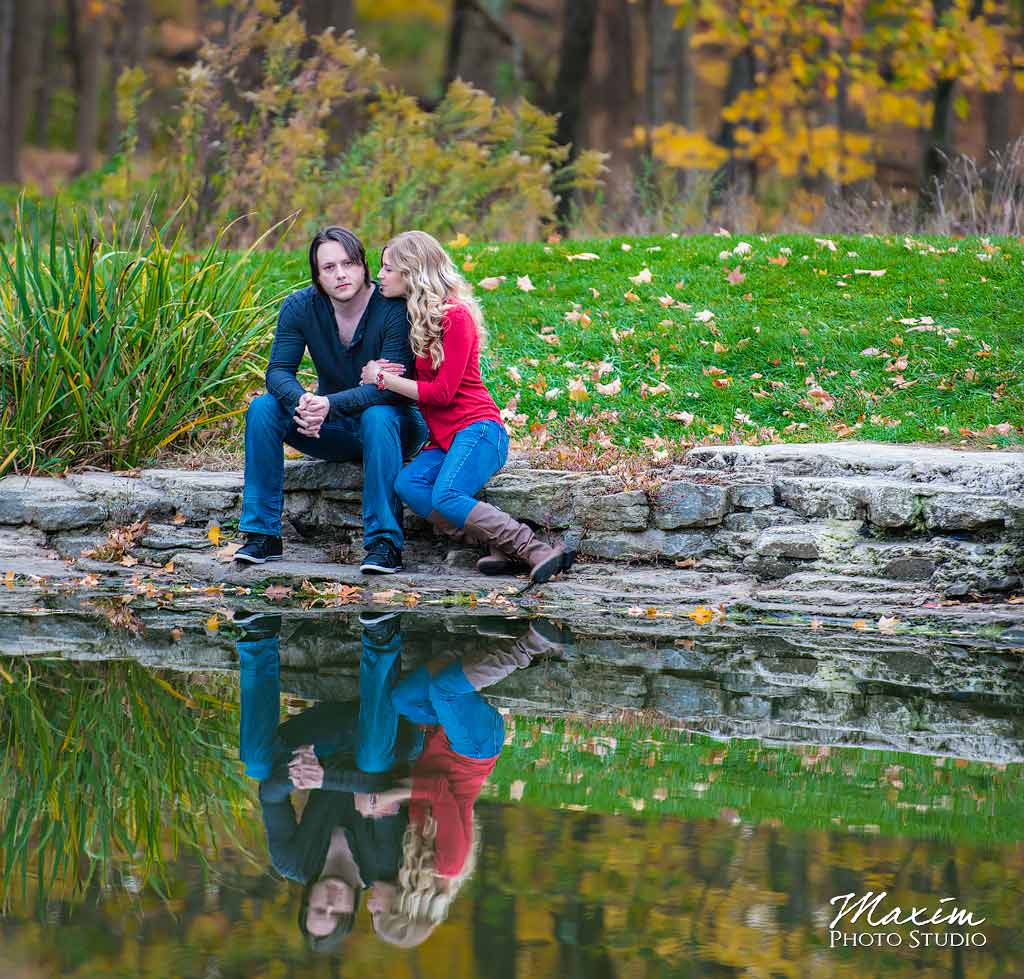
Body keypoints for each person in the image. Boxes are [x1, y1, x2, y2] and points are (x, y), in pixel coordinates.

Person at [361, 230, 575, 584]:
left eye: (387, 268)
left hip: (479, 429)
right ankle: (502, 547)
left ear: (412, 272)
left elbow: (443, 393)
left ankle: (536, 549)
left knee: (446, 495)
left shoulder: (455, 317)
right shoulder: (413, 319)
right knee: (409, 483)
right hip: (445, 440)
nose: (379, 275)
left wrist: (383, 379)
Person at [236, 226, 428, 574]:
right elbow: (278, 371)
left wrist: (328, 405)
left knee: (378, 416)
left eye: (349, 263)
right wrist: (303, 402)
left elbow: (386, 387)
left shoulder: (393, 308)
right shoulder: (300, 306)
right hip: (333, 428)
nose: (341, 274)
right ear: (317, 275)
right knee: (262, 408)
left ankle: (384, 544)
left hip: (396, 427)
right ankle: (261, 535)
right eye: (329, 268)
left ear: (364, 266)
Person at [365, 620, 564, 947]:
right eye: (376, 913)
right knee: (444, 690)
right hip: (474, 748)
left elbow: (424, 786)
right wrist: (395, 794)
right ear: (404, 908)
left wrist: (382, 798)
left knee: (404, 699)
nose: (370, 905)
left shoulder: (415, 859)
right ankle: (530, 646)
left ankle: (470, 652)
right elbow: (441, 790)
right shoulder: (449, 865)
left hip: (445, 740)